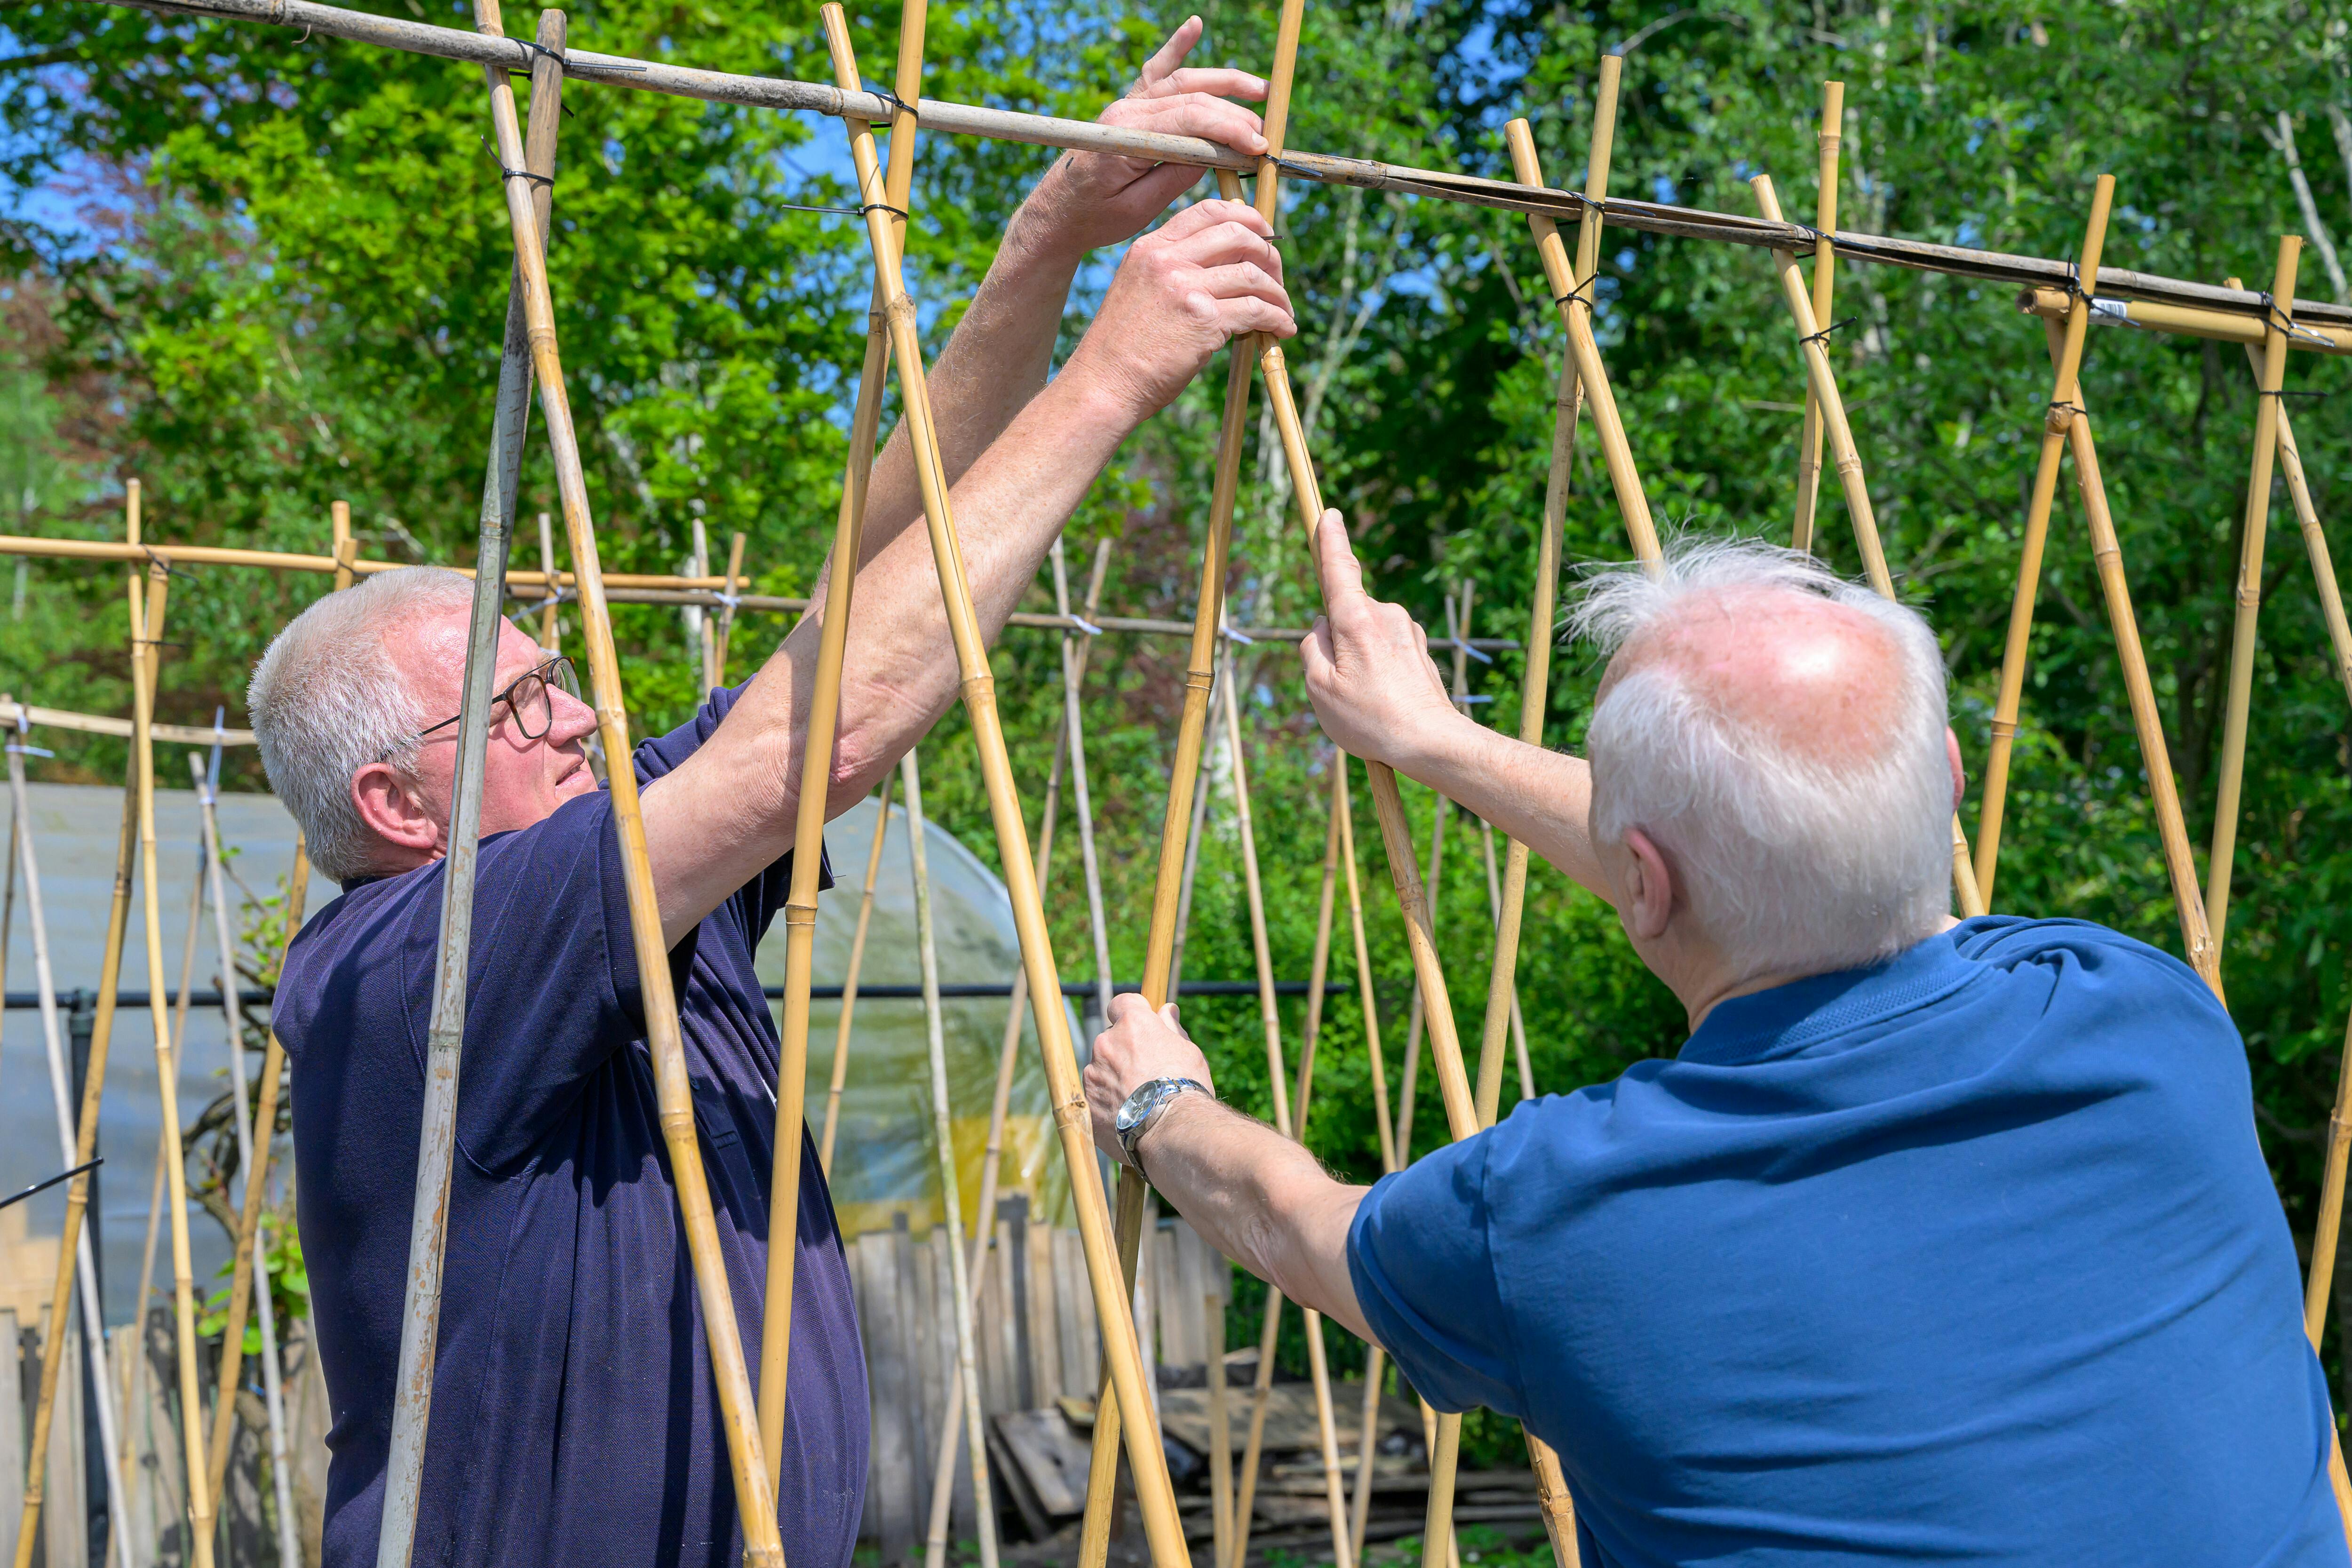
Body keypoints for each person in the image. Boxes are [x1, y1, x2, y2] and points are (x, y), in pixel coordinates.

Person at [247, 24, 1294, 1567]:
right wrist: (1113, 382)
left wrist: (1048, 238)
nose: (587, 708)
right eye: (530, 701)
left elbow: (849, 608)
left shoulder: (616, 884)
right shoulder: (420, 961)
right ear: (403, 805)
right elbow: (833, 736)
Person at [1084, 515, 2348, 1566]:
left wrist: (1160, 1107)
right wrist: (1440, 743)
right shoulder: (2140, 1012)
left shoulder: (1566, 1213)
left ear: (1642, 881)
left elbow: (1290, 1224)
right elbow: (1774, 859)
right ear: (1953, 779)